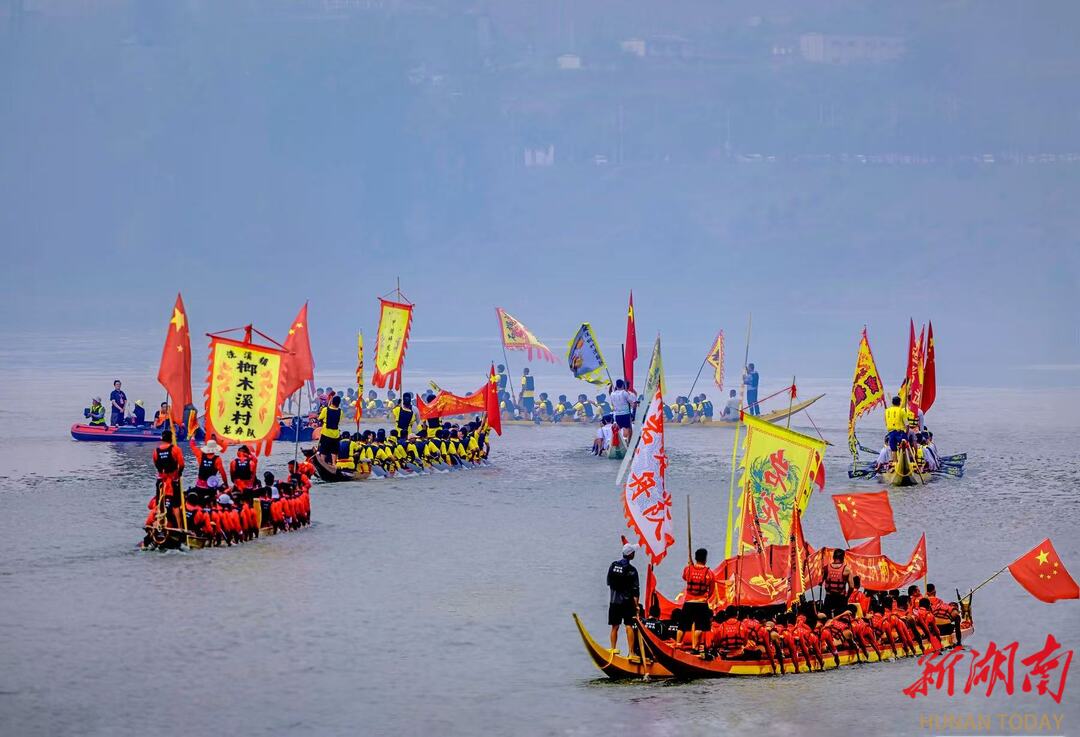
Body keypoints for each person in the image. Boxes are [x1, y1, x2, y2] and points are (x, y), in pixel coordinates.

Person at [677, 548, 714, 652]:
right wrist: (705, 598)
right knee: (699, 626)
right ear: (705, 559)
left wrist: (690, 565)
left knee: (682, 626)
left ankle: (678, 644)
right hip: (701, 603)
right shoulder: (709, 573)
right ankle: (696, 648)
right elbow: (711, 591)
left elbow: (685, 577)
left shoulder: (688, 569)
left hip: (688, 603)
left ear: (695, 557)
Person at [606, 543, 640, 657]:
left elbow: (609, 582)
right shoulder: (632, 570)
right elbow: (635, 591)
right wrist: (636, 606)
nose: (634, 554)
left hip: (614, 601)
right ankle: (631, 652)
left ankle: (612, 649)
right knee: (629, 626)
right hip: (627, 602)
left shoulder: (613, 566)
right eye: (633, 552)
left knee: (615, 626)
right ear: (630, 555)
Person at [822, 549, 855, 617]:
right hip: (841, 598)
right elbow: (851, 586)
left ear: (833, 557)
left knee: (826, 617)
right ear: (843, 558)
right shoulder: (846, 569)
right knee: (841, 618)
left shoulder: (826, 568)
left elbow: (820, 582)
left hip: (829, 598)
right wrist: (847, 596)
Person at [608, 379, 638, 445]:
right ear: (622, 385)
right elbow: (633, 404)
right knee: (628, 428)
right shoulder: (625, 393)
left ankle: (619, 441)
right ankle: (628, 442)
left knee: (619, 428)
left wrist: (610, 386)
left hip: (617, 415)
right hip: (626, 414)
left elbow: (610, 395)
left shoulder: (612, 394)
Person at [318, 395, 343, 464]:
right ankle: (334, 464)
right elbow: (339, 420)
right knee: (334, 451)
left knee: (323, 449)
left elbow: (319, 418)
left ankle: (322, 462)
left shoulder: (325, 409)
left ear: (332, 402)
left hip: (326, 432)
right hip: (335, 434)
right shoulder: (340, 411)